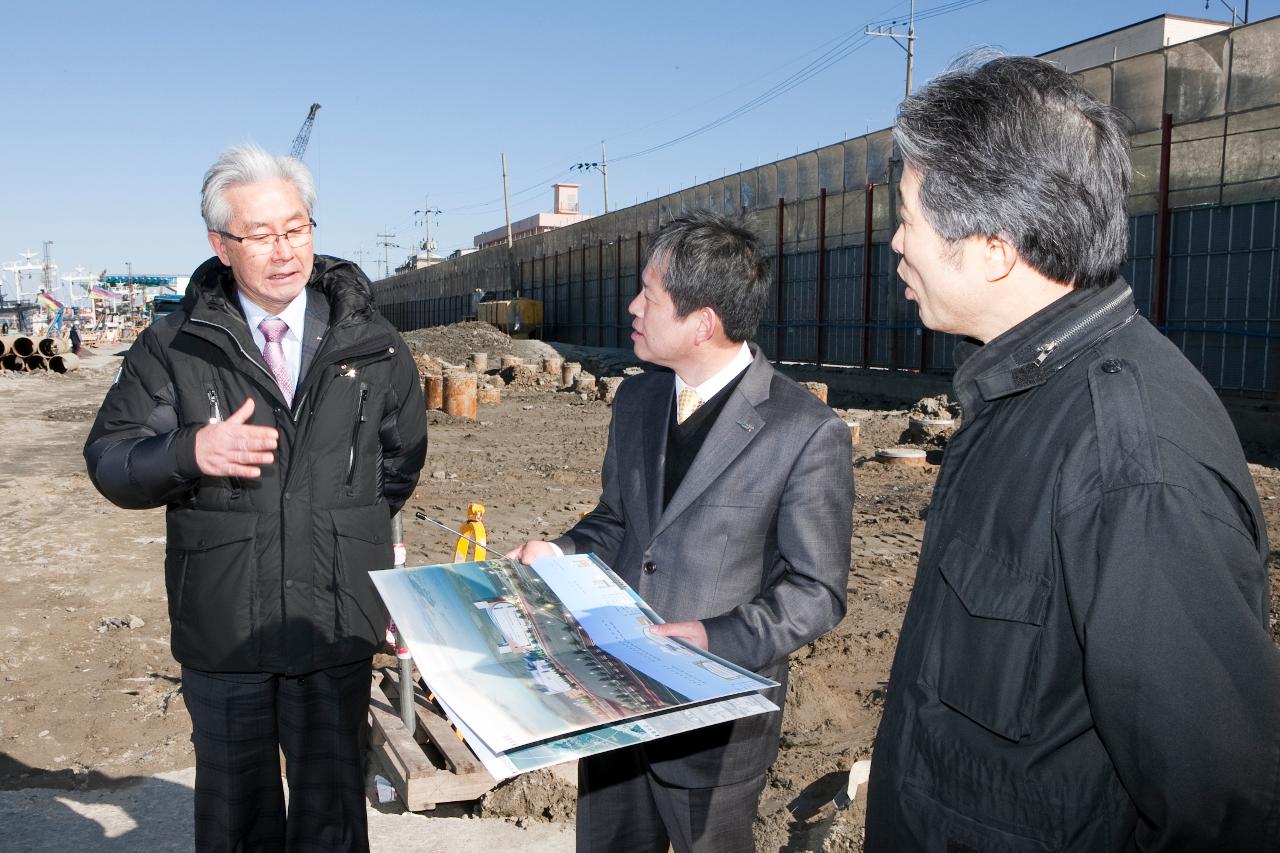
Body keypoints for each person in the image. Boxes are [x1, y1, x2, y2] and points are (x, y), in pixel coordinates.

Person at [864, 55, 1280, 850]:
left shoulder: (1131, 459)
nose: (894, 243)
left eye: (909, 217)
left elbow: (1223, 810)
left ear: (991, 245)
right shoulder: (1020, 395)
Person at [84, 143, 428, 852]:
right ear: (220, 243)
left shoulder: (374, 345)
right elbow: (111, 460)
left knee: (332, 820)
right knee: (236, 821)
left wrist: (341, 529)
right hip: (226, 625)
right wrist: (190, 452)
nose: (284, 250)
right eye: (261, 234)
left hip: (332, 620)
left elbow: (400, 464)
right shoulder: (177, 344)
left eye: (296, 228)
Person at [509, 211, 854, 853]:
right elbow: (617, 521)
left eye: (651, 295)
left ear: (703, 323)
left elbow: (816, 591)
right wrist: (557, 550)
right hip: (614, 701)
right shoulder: (637, 401)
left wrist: (710, 638)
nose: (633, 306)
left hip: (713, 726)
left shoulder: (803, 431)